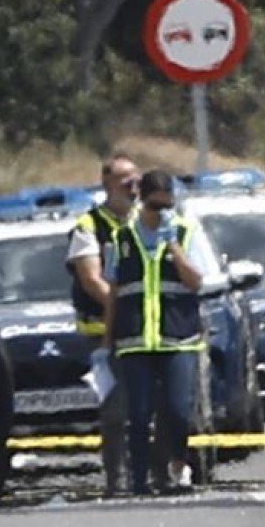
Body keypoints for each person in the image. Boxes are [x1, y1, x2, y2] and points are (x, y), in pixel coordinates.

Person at [105, 170, 208, 494]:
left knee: (178, 411)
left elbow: (196, 281)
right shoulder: (122, 238)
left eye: (167, 205)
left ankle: (177, 466)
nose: (161, 212)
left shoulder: (186, 231)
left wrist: (173, 246)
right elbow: (113, 290)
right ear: (141, 201)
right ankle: (139, 480)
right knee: (138, 415)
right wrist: (107, 339)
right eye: (154, 205)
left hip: (178, 337)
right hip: (135, 340)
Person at [66, 153, 138, 495]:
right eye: (125, 179)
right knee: (115, 412)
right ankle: (119, 481)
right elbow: (92, 280)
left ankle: (157, 475)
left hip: (147, 333)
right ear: (108, 184)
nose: (133, 185)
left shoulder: (148, 221)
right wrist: (127, 305)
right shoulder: (89, 227)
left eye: (135, 178)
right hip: (103, 337)